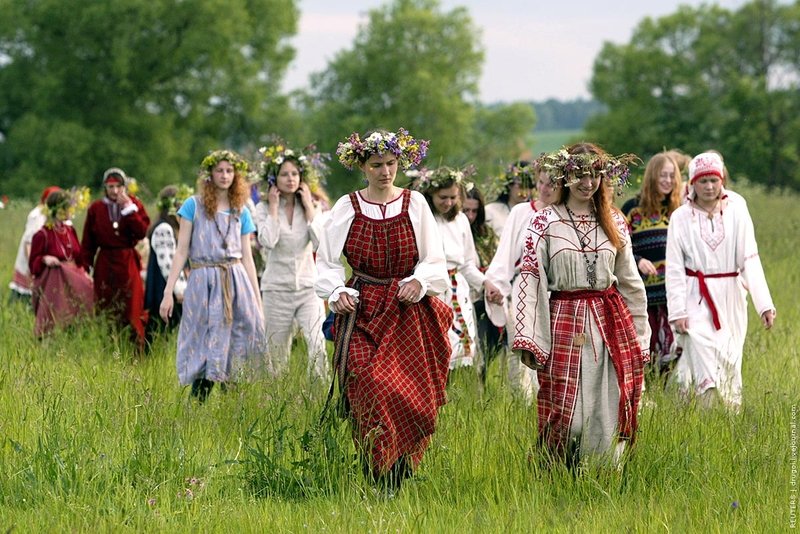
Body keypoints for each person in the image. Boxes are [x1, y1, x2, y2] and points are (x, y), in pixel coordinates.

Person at [316, 128, 452, 489]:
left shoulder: (415, 203)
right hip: (362, 308)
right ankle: (376, 467)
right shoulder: (347, 206)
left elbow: (434, 258)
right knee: (369, 384)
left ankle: (398, 470)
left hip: (407, 310)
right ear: (363, 166)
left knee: (410, 394)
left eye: (391, 163)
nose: (385, 171)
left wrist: (420, 281)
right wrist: (336, 290)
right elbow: (326, 261)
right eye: (376, 165)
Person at [513, 143, 650, 467]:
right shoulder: (544, 222)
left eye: (594, 175)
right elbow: (531, 278)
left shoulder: (614, 221)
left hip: (610, 322)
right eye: (580, 175)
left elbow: (630, 281)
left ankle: (602, 475)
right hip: (564, 320)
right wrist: (529, 337)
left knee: (609, 404)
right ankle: (559, 471)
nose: (588, 183)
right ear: (565, 176)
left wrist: (639, 336)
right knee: (568, 414)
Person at [665, 152, 775, 410]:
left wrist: (764, 305)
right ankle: (706, 413)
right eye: (703, 181)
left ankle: (728, 418)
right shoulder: (680, 217)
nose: (709, 187)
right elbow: (674, 269)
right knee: (701, 349)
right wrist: (678, 311)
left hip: (731, 297)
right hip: (696, 295)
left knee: (729, 360)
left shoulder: (737, 207)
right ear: (693, 183)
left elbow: (750, 258)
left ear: (722, 180)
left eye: (714, 180)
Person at [159, 150, 266, 402]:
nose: (225, 176)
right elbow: (181, 250)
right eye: (220, 171)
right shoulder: (193, 206)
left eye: (229, 171)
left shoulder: (241, 210)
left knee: (237, 338)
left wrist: (257, 300)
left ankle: (232, 405)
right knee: (203, 338)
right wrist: (168, 291)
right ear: (210, 174)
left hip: (235, 280)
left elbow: (247, 257)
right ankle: (198, 401)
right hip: (203, 280)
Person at [254, 139, 329, 379]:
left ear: (301, 177)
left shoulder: (313, 206)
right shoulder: (262, 209)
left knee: (317, 342)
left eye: (294, 174)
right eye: (284, 174)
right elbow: (268, 241)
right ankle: (277, 396)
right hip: (276, 289)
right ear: (274, 179)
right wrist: (273, 208)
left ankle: (320, 393)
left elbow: (321, 243)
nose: (290, 179)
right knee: (276, 353)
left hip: (308, 287)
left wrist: (308, 206)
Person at [484, 166, 560, 401]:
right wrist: (496, 284)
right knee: (521, 349)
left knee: (556, 350)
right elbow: (505, 253)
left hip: (556, 291)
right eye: (541, 182)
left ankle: (554, 401)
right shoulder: (521, 212)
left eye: (552, 184)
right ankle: (523, 404)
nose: (545, 189)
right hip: (524, 288)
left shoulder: (566, 214)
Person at [413, 166, 485, 371]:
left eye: (453, 197)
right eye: (442, 197)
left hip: (456, 288)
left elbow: (468, 263)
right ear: (431, 194)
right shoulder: (422, 219)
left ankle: (456, 385)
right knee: (430, 346)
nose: (448, 203)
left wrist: (485, 284)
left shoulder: (460, 220)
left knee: (460, 347)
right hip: (429, 287)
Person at [621, 152, 683, 374]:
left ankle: (670, 390)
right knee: (646, 348)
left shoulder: (678, 210)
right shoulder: (632, 209)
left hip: (672, 294)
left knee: (674, 351)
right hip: (643, 294)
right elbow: (619, 247)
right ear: (652, 176)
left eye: (672, 176)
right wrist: (637, 260)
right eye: (663, 175)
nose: (668, 180)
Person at [81, 168, 150, 351]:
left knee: (132, 308)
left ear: (124, 186)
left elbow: (141, 231)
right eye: (111, 187)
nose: (115, 191)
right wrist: (86, 265)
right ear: (105, 187)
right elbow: (88, 241)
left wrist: (128, 208)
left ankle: (135, 353)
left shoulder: (134, 204)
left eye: (118, 186)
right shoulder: (96, 208)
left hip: (127, 262)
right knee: (106, 307)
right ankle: (108, 350)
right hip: (105, 263)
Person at [29, 188, 94, 336]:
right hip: (55, 285)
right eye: (68, 207)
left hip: (73, 282)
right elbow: (33, 264)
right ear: (59, 210)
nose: (72, 211)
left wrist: (85, 274)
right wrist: (44, 258)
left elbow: (79, 258)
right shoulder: (43, 234)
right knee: (54, 322)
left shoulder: (70, 230)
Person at [144, 184, 193, 347]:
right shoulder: (164, 228)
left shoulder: (174, 228)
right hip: (164, 289)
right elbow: (167, 263)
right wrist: (179, 290)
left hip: (171, 289)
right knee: (161, 334)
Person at [463, 186, 503, 381]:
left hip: (486, 297)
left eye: (474, 211)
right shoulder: (453, 229)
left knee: (489, 347)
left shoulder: (486, 233)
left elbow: (499, 260)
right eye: (466, 210)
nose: (470, 216)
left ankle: (483, 386)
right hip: (464, 295)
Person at [9, 186, 62, 305]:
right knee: (23, 296)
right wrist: (32, 265)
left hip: (42, 260)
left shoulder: (55, 214)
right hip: (31, 259)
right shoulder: (37, 215)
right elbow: (28, 242)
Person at [484, 160, 535, 237]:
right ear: (509, 185)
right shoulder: (491, 211)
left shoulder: (535, 214)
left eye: (529, 187)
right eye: (520, 186)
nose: (524, 192)